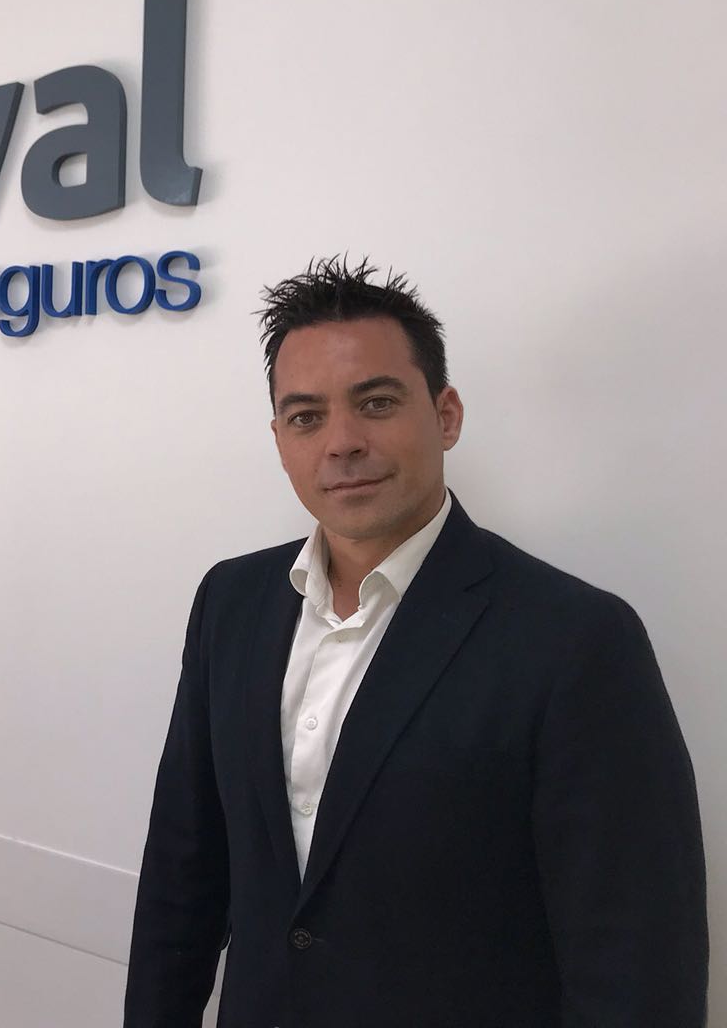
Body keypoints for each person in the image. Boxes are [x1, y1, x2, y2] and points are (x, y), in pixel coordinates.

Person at [124, 257, 708, 1027]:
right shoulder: (231, 603)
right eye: (306, 417)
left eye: (376, 403)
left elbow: (634, 966)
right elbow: (182, 875)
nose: (341, 442)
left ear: (447, 415)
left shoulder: (576, 640)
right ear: (279, 438)